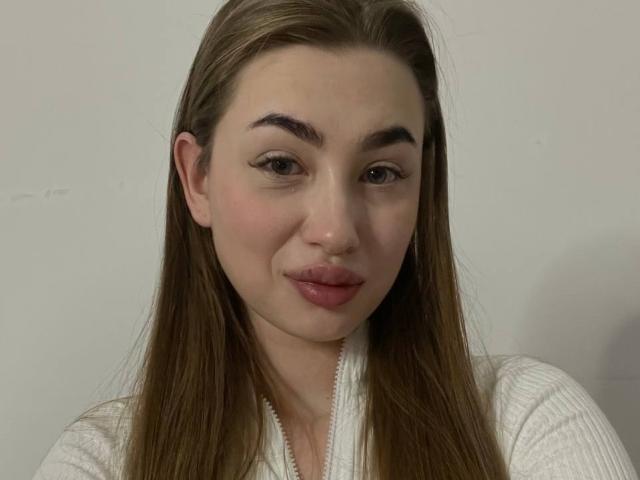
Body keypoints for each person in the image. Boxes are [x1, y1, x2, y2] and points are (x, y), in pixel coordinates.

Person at [33, 0, 638, 479]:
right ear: (198, 178)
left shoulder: (525, 423)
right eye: (281, 164)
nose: (335, 231)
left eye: (381, 173)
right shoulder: (103, 462)